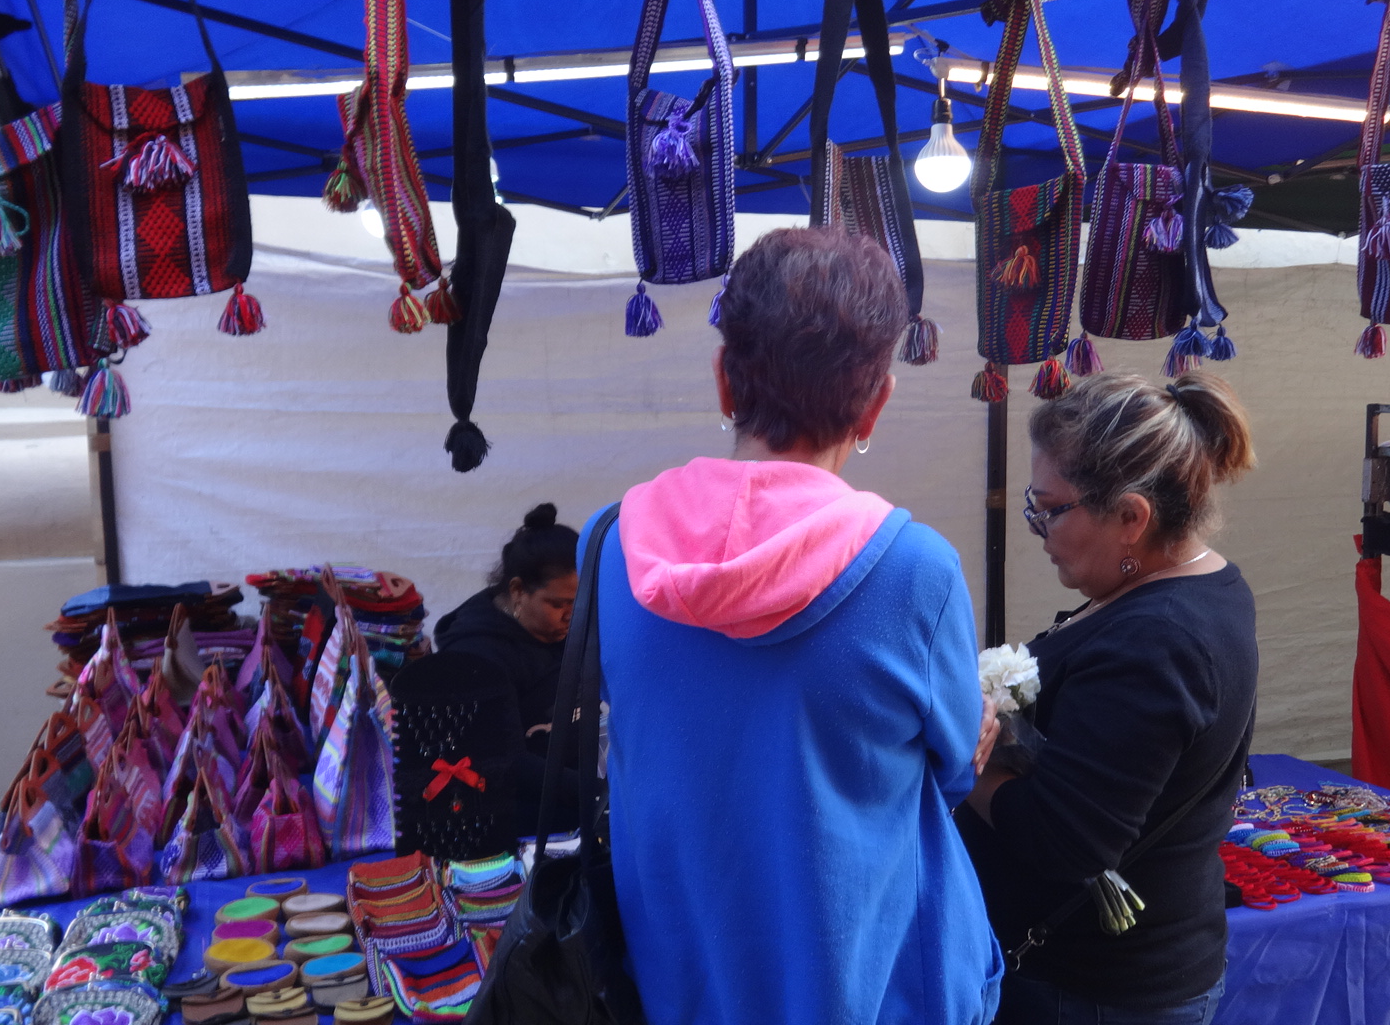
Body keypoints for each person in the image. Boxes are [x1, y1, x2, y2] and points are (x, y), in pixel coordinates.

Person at [588, 227, 1005, 1025]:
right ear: (876, 403)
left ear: (723, 381)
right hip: (874, 987)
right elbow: (954, 773)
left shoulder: (611, 547)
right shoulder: (915, 570)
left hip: (683, 981)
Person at [959, 371, 1259, 1025]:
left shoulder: (1160, 640)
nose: (1037, 528)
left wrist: (964, 752)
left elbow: (1063, 843)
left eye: (1050, 508)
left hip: (1093, 991)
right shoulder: (1188, 586)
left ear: (1130, 517)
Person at [427, 503, 580, 836]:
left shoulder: (567, 628)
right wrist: (596, 793)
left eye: (579, 602)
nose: (571, 615)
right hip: (511, 816)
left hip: (572, 790)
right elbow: (505, 762)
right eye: (557, 604)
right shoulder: (476, 656)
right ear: (517, 591)